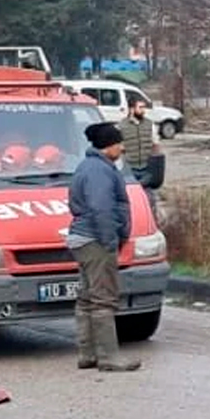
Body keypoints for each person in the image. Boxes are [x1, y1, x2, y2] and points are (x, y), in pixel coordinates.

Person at [66, 120, 138, 372]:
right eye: (119, 143)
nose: (122, 148)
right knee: (104, 299)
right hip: (96, 240)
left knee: (87, 298)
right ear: (108, 146)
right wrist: (111, 241)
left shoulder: (89, 166)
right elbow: (101, 208)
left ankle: (87, 353)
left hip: (82, 238)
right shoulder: (100, 170)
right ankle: (109, 357)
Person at [119, 96, 161, 188]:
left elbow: (155, 145)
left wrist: (155, 165)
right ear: (131, 109)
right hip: (129, 169)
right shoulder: (121, 126)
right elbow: (118, 148)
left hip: (147, 169)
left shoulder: (150, 124)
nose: (143, 110)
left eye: (144, 107)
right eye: (140, 107)